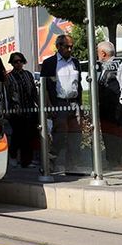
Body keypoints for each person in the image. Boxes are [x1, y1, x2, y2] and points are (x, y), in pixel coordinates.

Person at [39, 34, 82, 173]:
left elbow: (78, 84)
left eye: (71, 47)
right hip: (58, 101)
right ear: (58, 47)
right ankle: (50, 161)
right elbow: (44, 86)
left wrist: (80, 105)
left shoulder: (75, 62)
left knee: (75, 135)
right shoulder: (50, 63)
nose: (69, 49)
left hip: (74, 102)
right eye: (66, 46)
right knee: (59, 134)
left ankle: (72, 165)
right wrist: (49, 105)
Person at [96, 41, 122, 167]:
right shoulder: (105, 67)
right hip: (106, 109)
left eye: (98, 52)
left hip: (116, 108)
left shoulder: (118, 65)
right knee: (108, 134)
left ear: (103, 53)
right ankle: (112, 160)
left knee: (119, 133)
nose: (97, 55)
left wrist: (121, 105)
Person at [7, 52, 39, 168]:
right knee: (17, 135)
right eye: (16, 61)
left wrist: (38, 105)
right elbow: (8, 95)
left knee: (28, 136)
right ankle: (13, 156)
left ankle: (27, 161)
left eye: (20, 61)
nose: (18, 63)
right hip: (16, 111)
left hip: (29, 109)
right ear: (12, 63)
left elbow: (34, 92)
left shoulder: (28, 75)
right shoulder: (9, 77)